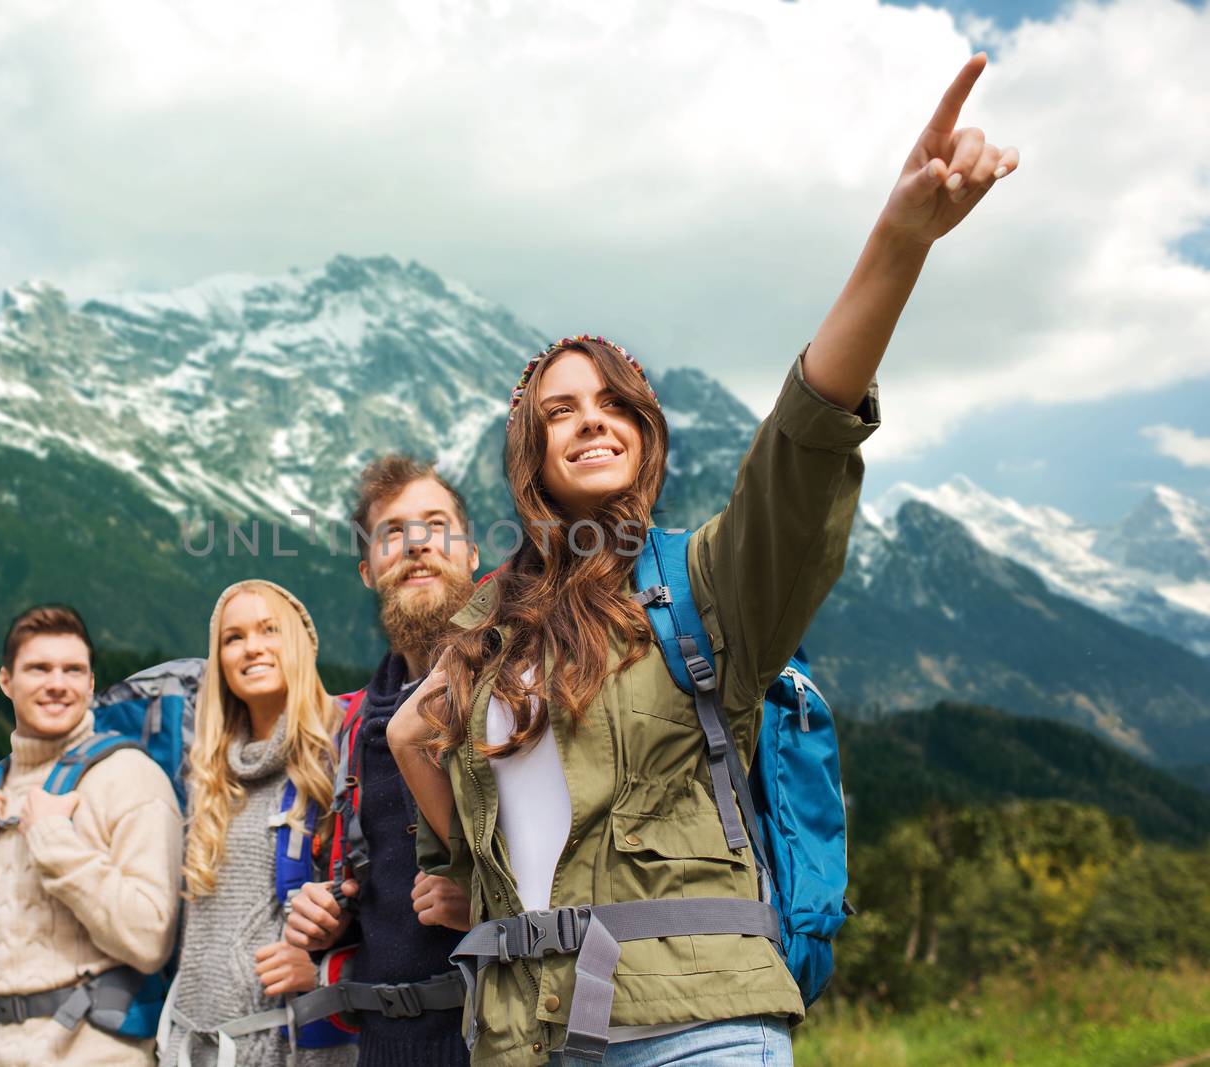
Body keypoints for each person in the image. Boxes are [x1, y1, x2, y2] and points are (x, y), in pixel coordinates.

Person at [387, 53, 1018, 1067]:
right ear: (531, 454)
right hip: (520, 1033)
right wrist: (422, 764)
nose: (589, 422)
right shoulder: (479, 625)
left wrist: (899, 242)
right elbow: (457, 843)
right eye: (559, 412)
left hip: (693, 1021)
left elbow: (801, 447)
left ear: (643, 429)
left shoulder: (708, 582)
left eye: (611, 403)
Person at [0, 604, 183, 1066]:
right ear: (7, 681)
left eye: (73, 670)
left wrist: (54, 843)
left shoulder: (131, 778)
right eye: (39, 668)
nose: (57, 683)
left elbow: (149, 939)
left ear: (91, 684)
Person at [283, 457, 481, 1067]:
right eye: (393, 531)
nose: (418, 543)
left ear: (472, 554)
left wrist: (484, 902)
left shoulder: (521, 693)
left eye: (436, 524)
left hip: (503, 1038)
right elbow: (375, 889)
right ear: (368, 571)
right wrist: (329, 918)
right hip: (382, 1044)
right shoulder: (353, 730)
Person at [161, 580, 358, 1067]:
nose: (253, 648)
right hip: (197, 1044)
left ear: (301, 643)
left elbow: (390, 911)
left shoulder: (344, 756)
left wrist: (326, 970)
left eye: (269, 630)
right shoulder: (208, 775)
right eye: (234, 637)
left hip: (295, 1047)